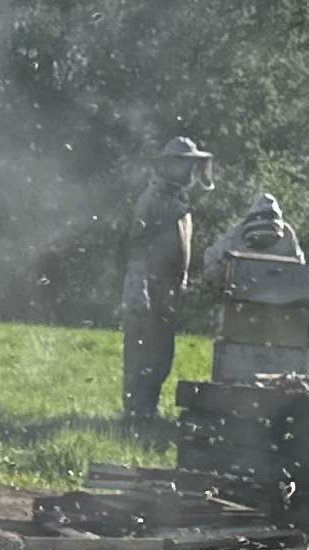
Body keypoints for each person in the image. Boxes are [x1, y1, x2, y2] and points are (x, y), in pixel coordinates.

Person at [120, 135, 211, 422]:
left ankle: (148, 410)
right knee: (142, 355)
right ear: (170, 165)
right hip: (148, 289)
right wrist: (139, 290)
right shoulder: (153, 200)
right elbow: (137, 246)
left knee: (161, 356)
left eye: (191, 165)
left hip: (167, 292)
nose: (189, 171)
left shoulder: (178, 200)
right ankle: (136, 413)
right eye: (185, 164)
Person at [195, 192, 305, 299]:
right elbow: (211, 259)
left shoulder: (287, 234)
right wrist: (219, 275)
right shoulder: (235, 235)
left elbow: (300, 265)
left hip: (276, 297)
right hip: (241, 295)